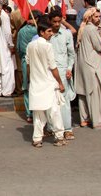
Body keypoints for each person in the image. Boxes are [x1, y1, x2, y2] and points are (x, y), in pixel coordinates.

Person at [27, 19, 67, 148]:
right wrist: (60, 82)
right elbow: (53, 67)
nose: (51, 33)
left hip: (35, 84)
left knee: (38, 114)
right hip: (48, 83)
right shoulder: (48, 46)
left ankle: (37, 138)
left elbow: (28, 66)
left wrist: (31, 79)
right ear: (42, 32)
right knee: (54, 112)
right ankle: (59, 136)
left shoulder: (30, 46)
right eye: (49, 31)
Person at [74, 8, 101, 129]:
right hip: (92, 64)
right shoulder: (90, 29)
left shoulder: (84, 28)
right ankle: (96, 121)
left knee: (85, 92)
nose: (99, 19)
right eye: (96, 16)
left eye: (99, 16)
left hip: (85, 63)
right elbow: (99, 46)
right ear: (90, 17)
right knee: (94, 93)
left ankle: (84, 119)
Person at [48, 10, 77, 139]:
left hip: (64, 72)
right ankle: (52, 127)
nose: (57, 24)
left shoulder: (66, 34)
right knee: (51, 101)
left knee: (64, 101)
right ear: (50, 22)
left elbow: (71, 54)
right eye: (54, 22)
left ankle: (67, 129)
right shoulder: (46, 36)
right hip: (49, 72)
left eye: (59, 21)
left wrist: (70, 68)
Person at [0, 0, 15, 97]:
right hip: (4, 45)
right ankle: (6, 91)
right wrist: (11, 45)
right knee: (6, 68)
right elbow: (8, 33)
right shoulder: (4, 16)